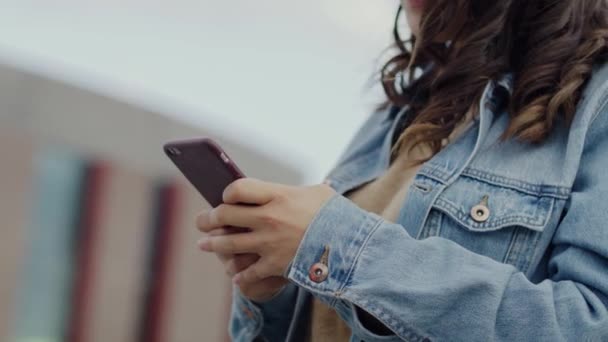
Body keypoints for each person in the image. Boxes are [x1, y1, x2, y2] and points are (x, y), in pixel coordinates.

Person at [196, 0, 608, 340]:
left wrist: (331, 242)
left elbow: (590, 324)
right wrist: (276, 290)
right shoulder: (402, 109)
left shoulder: (597, 103)